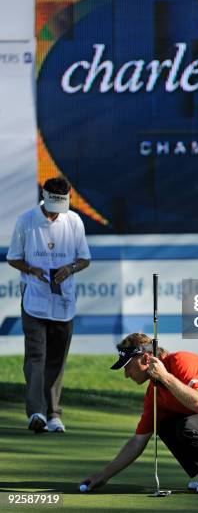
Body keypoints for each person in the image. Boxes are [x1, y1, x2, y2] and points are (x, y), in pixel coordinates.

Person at [81, 332, 198, 494]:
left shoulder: (181, 360)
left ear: (146, 359)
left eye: (128, 366)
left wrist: (165, 377)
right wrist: (104, 475)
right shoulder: (154, 394)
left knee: (189, 426)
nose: (126, 374)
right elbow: (138, 440)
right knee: (165, 425)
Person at [7, 176, 91, 433]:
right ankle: (36, 413)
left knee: (57, 358)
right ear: (44, 198)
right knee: (36, 356)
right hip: (34, 299)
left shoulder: (74, 221)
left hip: (63, 302)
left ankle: (53, 414)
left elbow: (84, 259)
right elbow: (13, 258)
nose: (56, 215)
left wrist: (70, 268)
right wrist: (31, 269)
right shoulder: (26, 220)